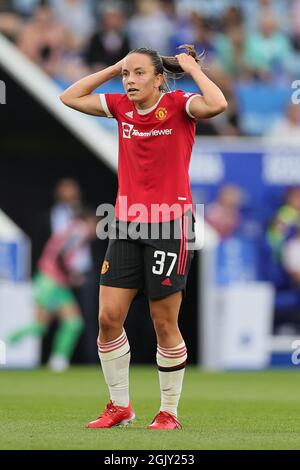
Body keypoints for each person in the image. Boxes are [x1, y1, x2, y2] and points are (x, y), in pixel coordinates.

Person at [60, 44, 227, 429]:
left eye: (138, 74)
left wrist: (191, 68)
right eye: (126, 74)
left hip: (170, 225)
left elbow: (216, 104)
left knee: (163, 322)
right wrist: (114, 66)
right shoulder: (121, 108)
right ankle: (120, 407)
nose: (130, 81)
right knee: (107, 318)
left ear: (158, 78)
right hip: (125, 224)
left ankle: (169, 411)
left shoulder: (181, 104)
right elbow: (69, 96)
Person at [7, 209, 97, 372]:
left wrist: (69, 276)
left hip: (57, 283)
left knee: (73, 323)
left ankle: (58, 360)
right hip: (50, 282)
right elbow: (60, 255)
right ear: (89, 222)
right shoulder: (79, 229)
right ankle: (6, 339)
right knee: (41, 326)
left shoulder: (71, 228)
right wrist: (72, 276)